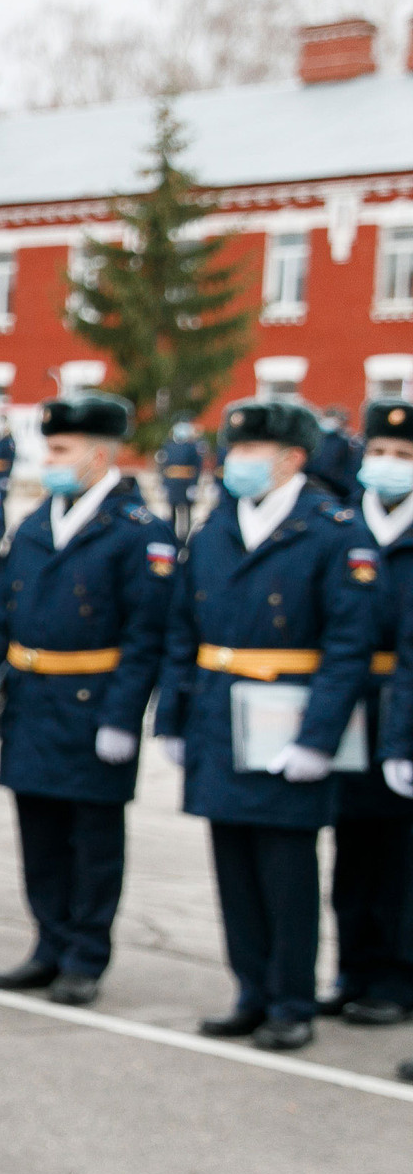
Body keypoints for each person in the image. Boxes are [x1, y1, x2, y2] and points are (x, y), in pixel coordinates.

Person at [154, 397, 377, 1051]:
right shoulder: (218, 525)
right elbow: (182, 628)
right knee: (233, 866)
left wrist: (318, 738)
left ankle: (291, 1000)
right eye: (234, 449)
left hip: (290, 718)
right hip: (221, 715)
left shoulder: (332, 530)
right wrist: (172, 716)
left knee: (285, 871)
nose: (235, 462)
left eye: (251, 452)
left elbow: (348, 648)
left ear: (293, 459)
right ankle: (250, 990)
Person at [0, 394, 171, 1006]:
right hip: (32, 697)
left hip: (93, 703)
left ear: (98, 453)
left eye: (60, 449)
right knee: (40, 832)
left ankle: (86, 955)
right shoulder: (36, 523)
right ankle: (48, 945)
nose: (49, 459)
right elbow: (3, 615)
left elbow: (147, 634)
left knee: (91, 840)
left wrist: (123, 716)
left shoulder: (137, 532)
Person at [331, 399, 413, 1025]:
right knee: (351, 850)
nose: (388, 464)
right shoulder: (344, 524)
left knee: (399, 857)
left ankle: (394, 978)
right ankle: (353, 967)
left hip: (403, 707)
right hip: (347, 701)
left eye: (403, 456)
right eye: (381, 453)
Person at [156, 415, 210, 542]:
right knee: (172, 511)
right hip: (172, 483)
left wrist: (194, 485)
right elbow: (163, 465)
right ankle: (172, 536)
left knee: (186, 512)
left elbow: (196, 466)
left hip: (186, 482)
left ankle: (186, 538)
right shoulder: (168, 446)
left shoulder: (192, 447)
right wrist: (163, 483)